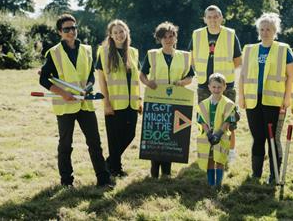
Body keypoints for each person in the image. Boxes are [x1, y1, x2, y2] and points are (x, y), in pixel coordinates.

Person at [39, 14, 112, 187]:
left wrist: (88, 87)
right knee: (65, 145)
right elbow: (43, 79)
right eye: (67, 29)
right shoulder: (54, 53)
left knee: (95, 142)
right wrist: (62, 93)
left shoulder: (86, 50)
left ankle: (103, 180)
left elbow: (90, 76)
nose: (71, 32)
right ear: (60, 32)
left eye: (74, 28)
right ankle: (66, 182)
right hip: (65, 106)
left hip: (85, 103)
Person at [239, 13, 293, 184]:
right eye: (262, 29)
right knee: (258, 138)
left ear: (275, 30)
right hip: (252, 101)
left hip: (274, 102)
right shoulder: (249, 50)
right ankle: (256, 174)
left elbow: (291, 76)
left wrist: (287, 98)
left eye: (268, 29)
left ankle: (274, 175)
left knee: (273, 139)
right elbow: (242, 76)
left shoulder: (284, 49)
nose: (265, 32)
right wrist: (241, 97)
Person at [140, 21, 194, 178]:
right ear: (159, 39)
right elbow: (142, 74)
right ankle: (154, 171)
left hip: (176, 100)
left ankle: (167, 172)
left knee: (171, 136)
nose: (168, 39)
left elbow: (190, 77)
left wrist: (182, 82)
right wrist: (148, 83)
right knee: (156, 135)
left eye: (171, 36)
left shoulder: (184, 56)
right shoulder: (152, 54)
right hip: (156, 100)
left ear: (176, 38)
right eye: (164, 37)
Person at [190, 4, 242, 162]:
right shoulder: (197, 34)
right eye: (209, 17)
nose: (212, 20)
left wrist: (222, 79)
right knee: (204, 121)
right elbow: (191, 59)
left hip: (226, 86)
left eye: (216, 16)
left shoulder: (230, 34)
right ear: (204, 19)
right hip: (204, 86)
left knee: (229, 122)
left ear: (221, 18)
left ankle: (230, 153)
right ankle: (208, 152)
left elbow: (238, 61)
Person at [96, 19, 141, 177]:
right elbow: (101, 79)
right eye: (115, 32)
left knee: (130, 134)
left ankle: (109, 163)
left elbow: (136, 78)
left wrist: (139, 100)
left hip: (132, 102)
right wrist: (106, 102)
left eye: (121, 31)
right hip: (114, 103)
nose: (119, 35)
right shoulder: (104, 51)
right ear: (110, 35)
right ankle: (116, 168)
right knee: (114, 138)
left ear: (127, 32)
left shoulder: (134, 52)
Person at [197, 73, 237, 188]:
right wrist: (209, 134)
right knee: (209, 159)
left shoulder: (229, 104)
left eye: (219, 87)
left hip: (222, 136)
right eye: (214, 87)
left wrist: (218, 134)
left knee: (219, 159)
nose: (216, 89)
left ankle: (218, 184)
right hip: (208, 137)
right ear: (209, 87)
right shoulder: (203, 104)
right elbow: (202, 121)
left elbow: (228, 121)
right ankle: (211, 184)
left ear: (224, 87)